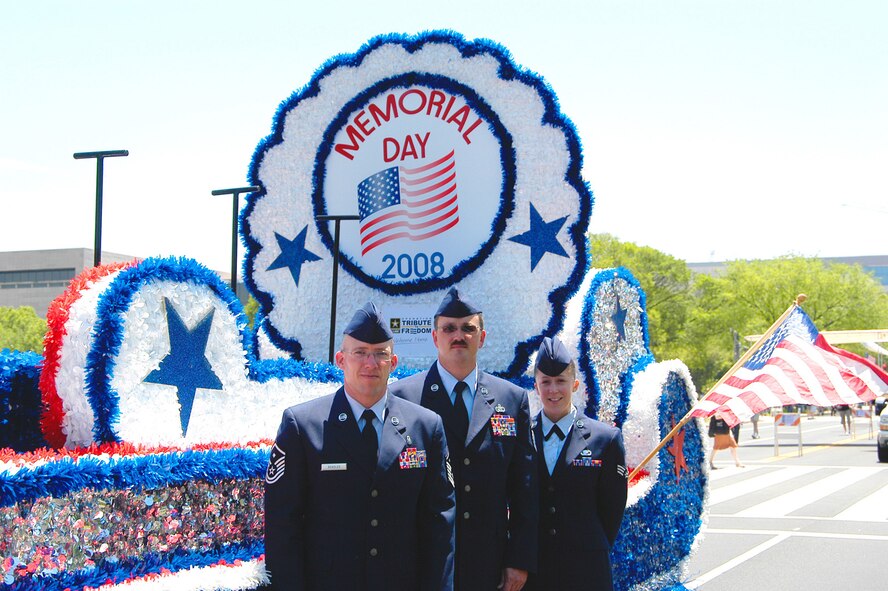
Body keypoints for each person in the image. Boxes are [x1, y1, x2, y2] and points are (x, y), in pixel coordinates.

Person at [264, 302, 456, 591]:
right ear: (341, 360)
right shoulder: (303, 426)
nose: (370, 363)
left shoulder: (426, 427)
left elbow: (439, 524)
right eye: (360, 353)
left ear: (393, 363)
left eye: (380, 354)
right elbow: (283, 525)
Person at [389, 287, 538, 591]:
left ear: (482, 337)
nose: (458, 335)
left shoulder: (511, 399)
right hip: (423, 558)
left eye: (468, 328)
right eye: (449, 328)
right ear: (435, 337)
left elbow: (525, 486)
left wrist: (519, 558)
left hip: (490, 562)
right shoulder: (403, 398)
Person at [525, 337, 627, 591]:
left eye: (561, 381)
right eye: (545, 382)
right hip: (534, 570)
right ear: (536, 387)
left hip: (586, 569)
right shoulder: (521, 436)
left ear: (575, 385)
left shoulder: (605, 438)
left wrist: (588, 543)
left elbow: (612, 509)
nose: (553, 390)